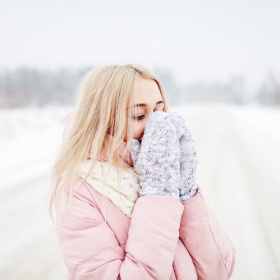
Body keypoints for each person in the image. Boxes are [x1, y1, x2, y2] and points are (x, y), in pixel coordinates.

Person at [48, 64, 236, 280]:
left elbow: (220, 269)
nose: (158, 126)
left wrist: (185, 190)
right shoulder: (79, 189)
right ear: (103, 121)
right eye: (139, 115)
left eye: (159, 111)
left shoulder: (162, 169)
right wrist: (159, 193)